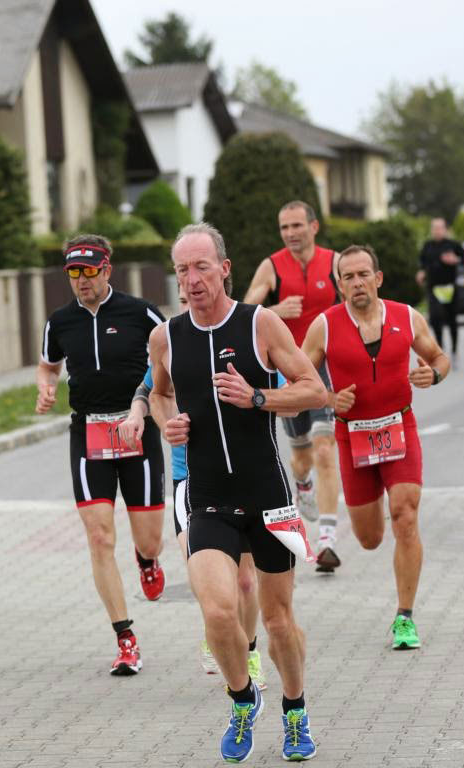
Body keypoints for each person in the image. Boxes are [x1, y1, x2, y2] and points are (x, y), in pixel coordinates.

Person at [150, 223, 327, 763]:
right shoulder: (167, 337)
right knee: (220, 613)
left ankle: (295, 711)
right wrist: (166, 422)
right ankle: (242, 698)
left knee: (277, 621)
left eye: (202, 266)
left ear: (224, 269)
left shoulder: (260, 324)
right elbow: (158, 394)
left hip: (267, 496)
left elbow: (314, 389)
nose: (192, 279)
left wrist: (257, 398)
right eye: (182, 269)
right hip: (206, 497)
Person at [118, 285, 268, 691]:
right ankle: (218, 628)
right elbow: (146, 389)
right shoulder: (173, 340)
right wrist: (137, 416)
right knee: (207, 573)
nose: (190, 309)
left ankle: (250, 650)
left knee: (245, 580)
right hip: (193, 479)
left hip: (244, 476)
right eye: (182, 302)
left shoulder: (244, 335)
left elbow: (288, 381)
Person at [301, 244, 450, 653]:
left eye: (363, 274)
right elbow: (297, 377)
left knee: (405, 515)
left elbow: (439, 356)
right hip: (354, 436)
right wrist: (330, 399)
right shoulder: (325, 326)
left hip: (399, 426)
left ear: (378, 278)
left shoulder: (405, 316)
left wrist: (432, 374)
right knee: (369, 538)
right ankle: (373, 531)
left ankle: (405, 617)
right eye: (347, 277)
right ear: (338, 285)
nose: (357, 283)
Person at [36, 234, 167, 677]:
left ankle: (147, 560)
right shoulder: (60, 321)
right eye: (73, 272)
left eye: (89, 270)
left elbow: (165, 356)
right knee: (99, 537)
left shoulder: (140, 311)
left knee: (148, 538)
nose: (81, 280)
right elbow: (48, 363)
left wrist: (155, 402)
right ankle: (125, 638)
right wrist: (46, 385)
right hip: (88, 432)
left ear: (107, 270)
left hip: (136, 428)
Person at [243, 200, 342, 572]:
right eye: (285, 228)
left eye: (297, 226)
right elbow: (246, 304)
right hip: (287, 372)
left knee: (324, 447)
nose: (291, 234)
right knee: (301, 457)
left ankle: (328, 539)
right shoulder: (272, 266)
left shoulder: (333, 263)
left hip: (325, 369)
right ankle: (302, 486)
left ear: (314, 227)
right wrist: (273, 310)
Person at [416, 218, 464, 365]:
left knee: (452, 319)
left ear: (445, 229)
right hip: (434, 288)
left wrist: (456, 260)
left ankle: (454, 350)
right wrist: (421, 272)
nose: (437, 231)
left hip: (450, 288)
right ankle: (440, 350)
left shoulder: (453, 245)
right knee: (435, 318)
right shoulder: (428, 246)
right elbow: (422, 261)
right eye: (434, 228)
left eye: (440, 228)